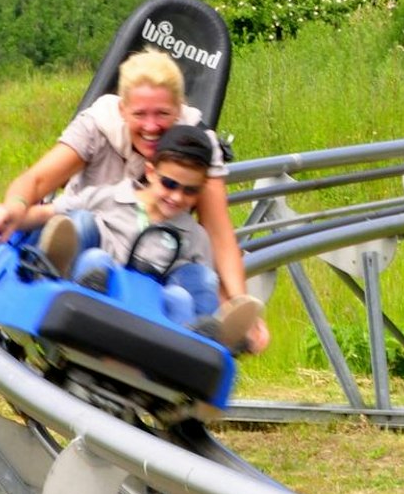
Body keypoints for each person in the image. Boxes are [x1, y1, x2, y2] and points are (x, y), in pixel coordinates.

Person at [0, 50, 264, 345]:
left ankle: (203, 335)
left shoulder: (196, 150)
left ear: (179, 110)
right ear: (123, 110)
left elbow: (218, 232)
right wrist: (12, 211)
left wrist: (236, 300)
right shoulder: (97, 128)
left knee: (198, 279)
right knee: (80, 223)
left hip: (155, 264)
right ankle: (63, 277)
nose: (151, 127)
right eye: (140, 114)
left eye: (163, 114)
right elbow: (38, 181)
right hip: (96, 242)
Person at [36, 124, 267, 354]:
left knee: (186, 292)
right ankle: (64, 282)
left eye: (190, 191)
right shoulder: (110, 198)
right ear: (150, 172)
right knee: (90, 247)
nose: (177, 197)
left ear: (201, 189)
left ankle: (204, 341)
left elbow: (206, 285)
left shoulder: (194, 236)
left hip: (153, 312)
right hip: (106, 286)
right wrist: (12, 213)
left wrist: (233, 310)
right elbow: (50, 212)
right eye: (169, 184)